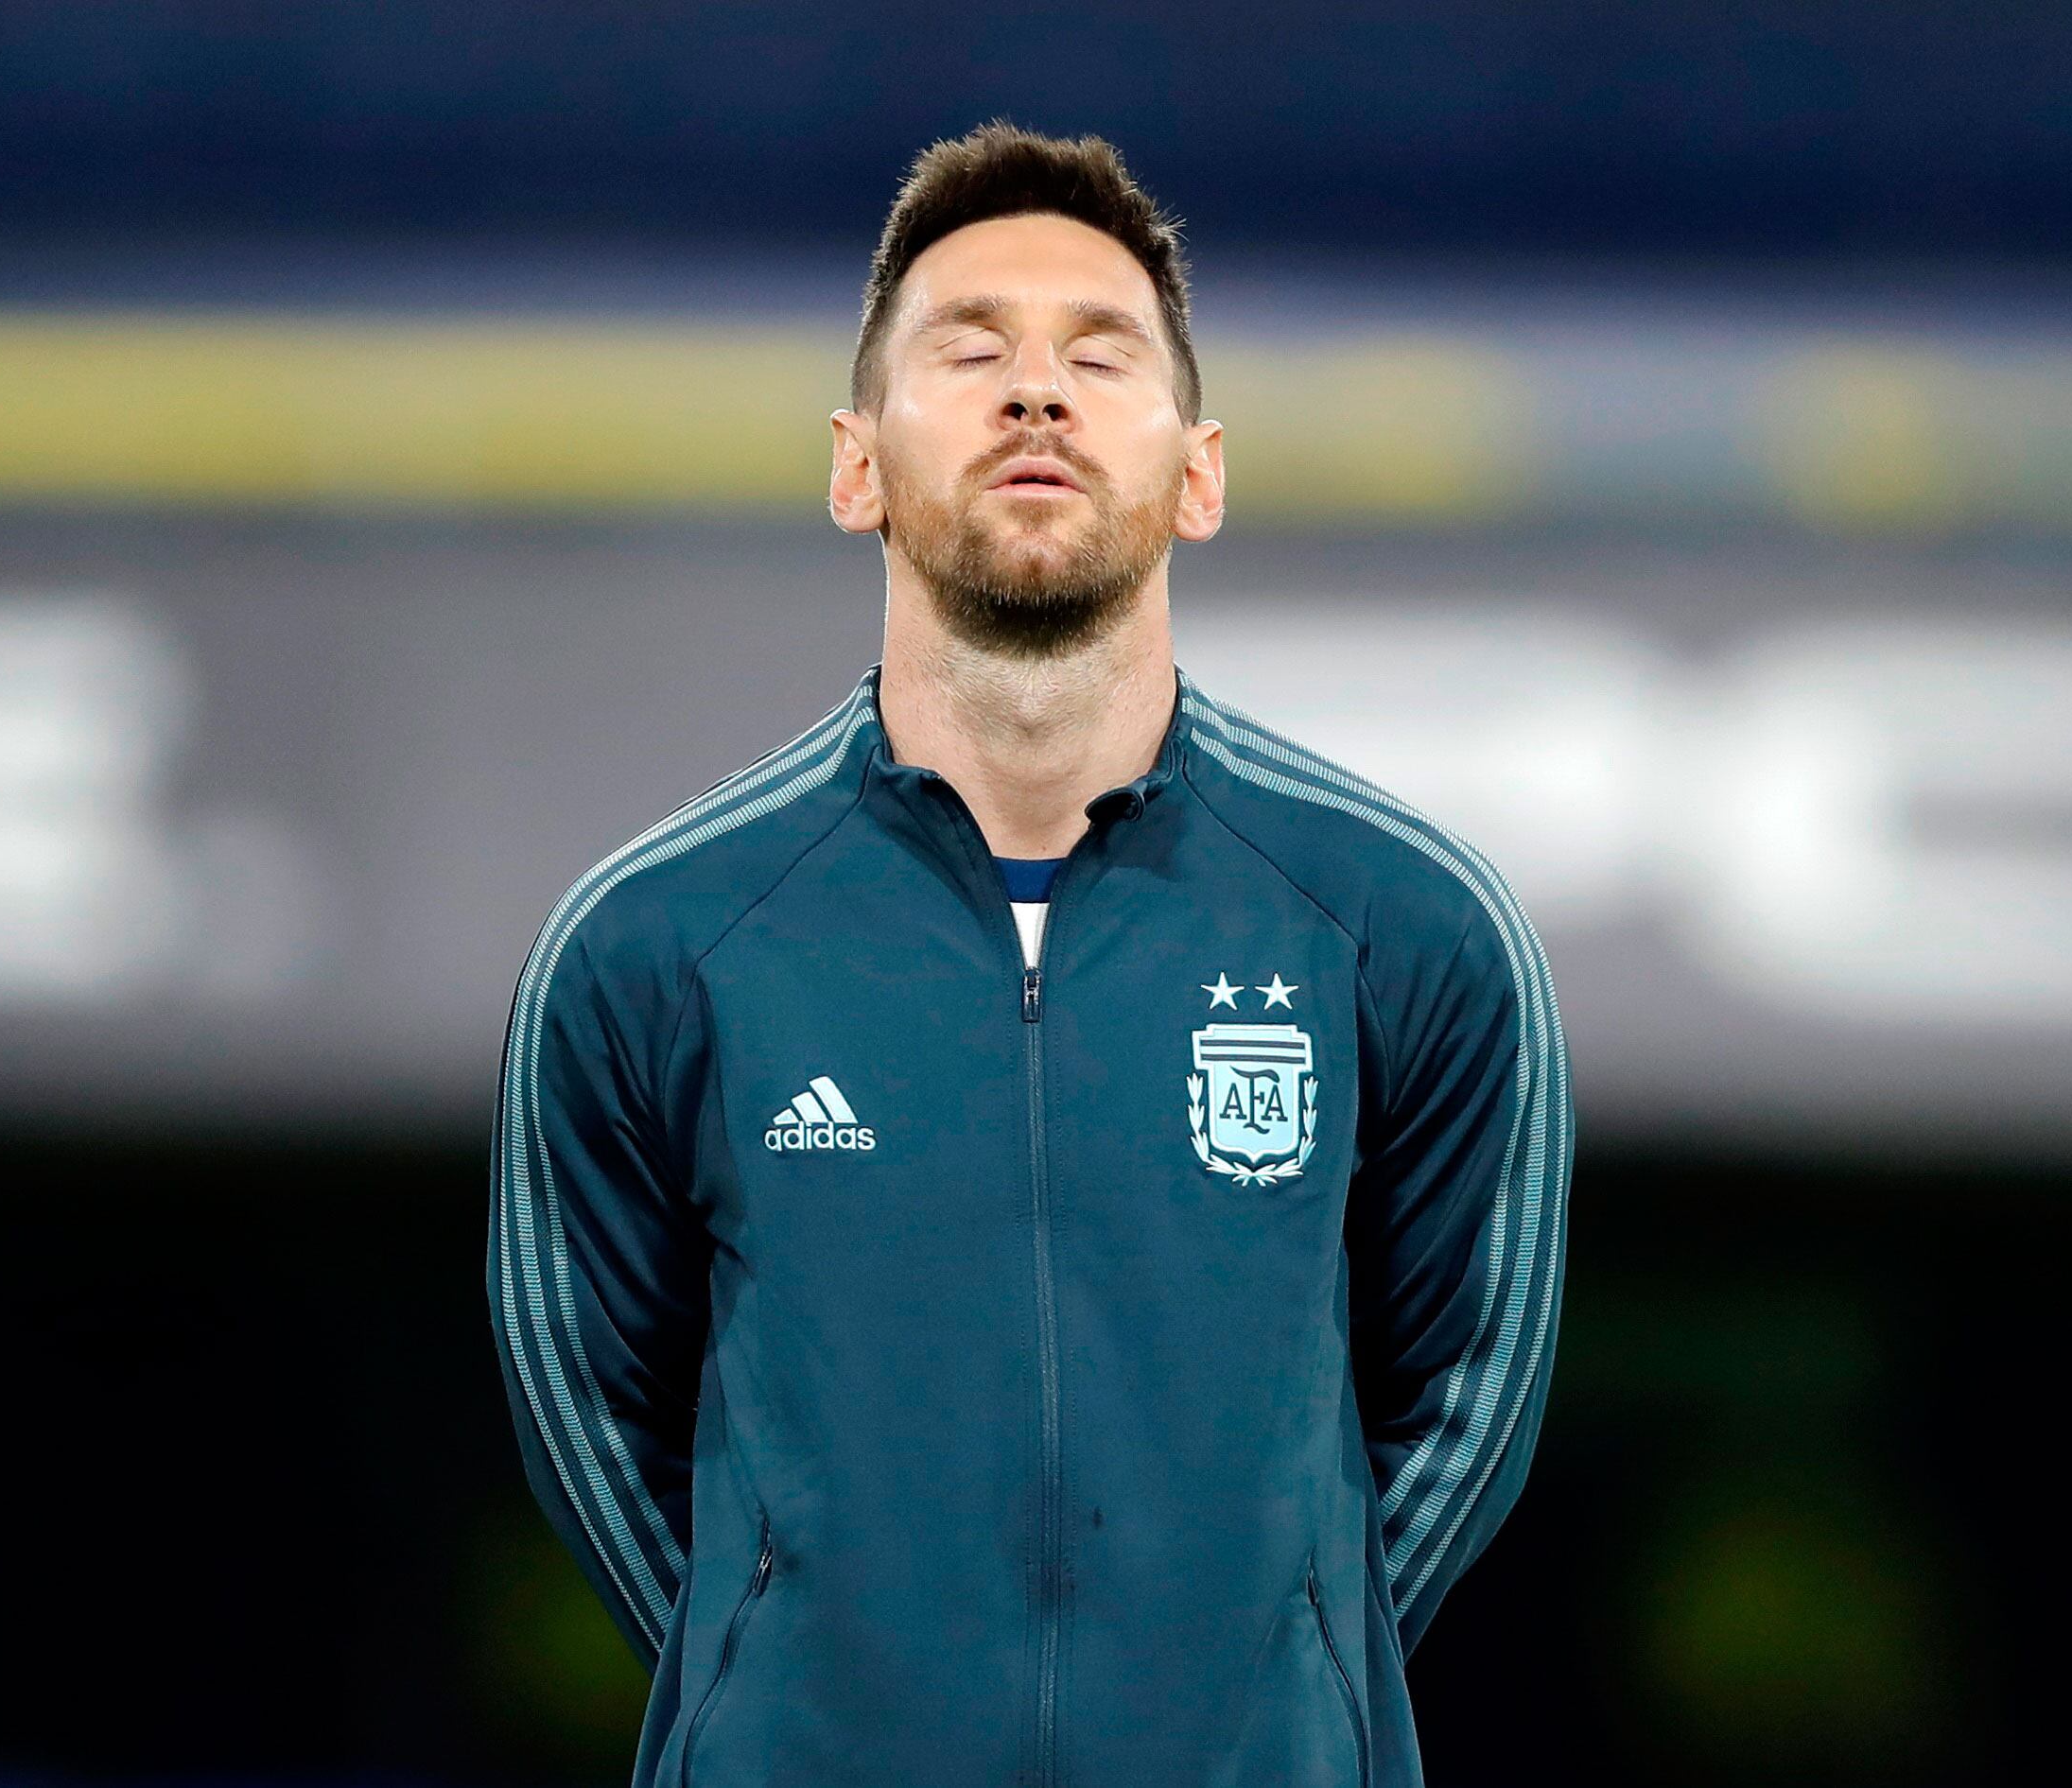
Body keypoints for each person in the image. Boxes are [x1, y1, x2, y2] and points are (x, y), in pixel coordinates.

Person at [488, 120, 1573, 1788]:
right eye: (971, 349)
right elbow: (592, 1414)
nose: (1036, 393)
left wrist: (1262, 1679)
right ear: (856, 465)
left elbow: (1467, 1397)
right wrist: (802, 1670)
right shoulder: (655, 947)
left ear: (1199, 473)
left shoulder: (1407, 928)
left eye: (1100, 354)